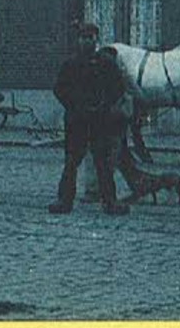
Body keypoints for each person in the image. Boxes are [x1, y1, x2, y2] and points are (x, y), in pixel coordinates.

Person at [48, 23, 130, 216]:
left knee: (102, 162)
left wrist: (105, 105)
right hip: (77, 121)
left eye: (91, 38)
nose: (87, 41)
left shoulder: (107, 63)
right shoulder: (70, 64)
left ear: (96, 40)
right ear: (79, 40)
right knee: (71, 162)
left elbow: (118, 87)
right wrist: (74, 105)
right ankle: (64, 200)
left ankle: (110, 201)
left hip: (100, 121)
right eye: (84, 38)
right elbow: (59, 89)